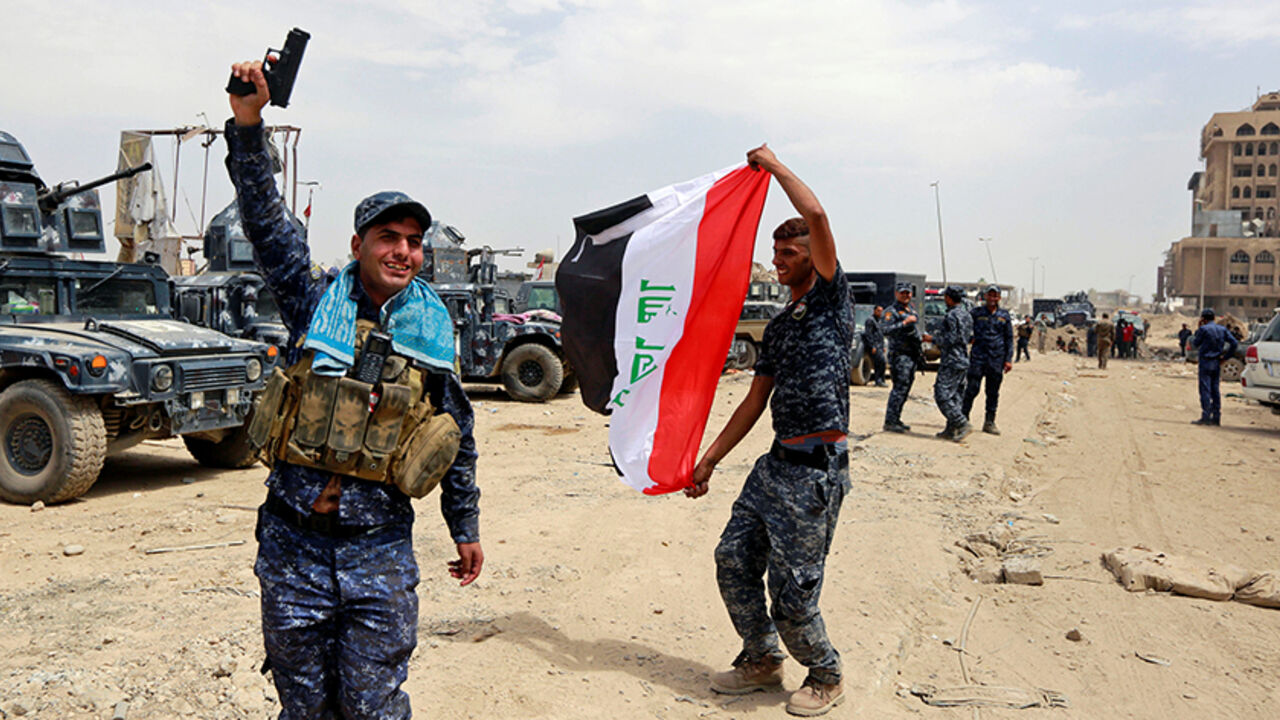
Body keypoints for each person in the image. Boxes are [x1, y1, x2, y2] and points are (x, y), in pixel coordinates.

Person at [225, 60, 484, 718]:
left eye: (413, 243)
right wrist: (249, 126)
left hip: (380, 549)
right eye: (387, 238)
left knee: (374, 708)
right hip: (294, 547)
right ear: (358, 244)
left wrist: (464, 525)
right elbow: (266, 223)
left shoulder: (430, 333)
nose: (403, 252)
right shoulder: (315, 304)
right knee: (304, 708)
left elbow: (456, 434)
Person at [686, 145, 851, 717]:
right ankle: (761, 659)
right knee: (732, 558)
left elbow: (818, 216)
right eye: (775, 252)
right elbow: (755, 400)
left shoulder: (831, 301)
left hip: (814, 476)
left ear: (813, 257)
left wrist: (774, 166)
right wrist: (710, 458)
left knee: (793, 592)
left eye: (789, 252)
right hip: (775, 466)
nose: (778, 261)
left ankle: (825, 674)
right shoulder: (779, 326)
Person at [962, 285, 1013, 435]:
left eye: (995, 296)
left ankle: (989, 422)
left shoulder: (1004, 315)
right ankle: (963, 419)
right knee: (971, 389)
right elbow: (965, 328)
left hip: (996, 359)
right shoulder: (976, 313)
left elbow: (1009, 339)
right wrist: (969, 338)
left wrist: (1008, 360)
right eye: (990, 295)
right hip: (978, 357)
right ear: (985, 296)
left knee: (992, 392)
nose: (992, 298)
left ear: (999, 298)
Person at [881, 283, 928, 432]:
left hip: (911, 355)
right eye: (902, 293)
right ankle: (890, 421)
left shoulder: (911, 309)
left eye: (908, 293)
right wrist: (904, 323)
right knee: (899, 388)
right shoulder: (891, 312)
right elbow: (885, 330)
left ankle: (896, 419)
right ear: (896, 294)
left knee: (905, 388)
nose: (905, 295)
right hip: (900, 355)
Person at [932, 286, 973, 441]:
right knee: (955, 396)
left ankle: (961, 423)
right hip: (962, 359)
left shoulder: (951, 315)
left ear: (948, 298)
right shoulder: (966, 314)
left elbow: (952, 339)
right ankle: (951, 429)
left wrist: (933, 339)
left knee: (942, 394)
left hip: (952, 360)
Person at [1190, 308, 1239, 426]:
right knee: (1215, 390)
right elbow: (1234, 343)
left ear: (1203, 319)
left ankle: (1206, 416)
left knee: (1205, 389)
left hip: (1205, 362)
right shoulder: (1222, 329)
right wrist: (1225, 357)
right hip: (1217, 362)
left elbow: (1195, 344)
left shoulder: (1203, 329)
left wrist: (1198, 328)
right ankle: (1216, 417)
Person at [862, 305, 888, 386]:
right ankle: (878, 380)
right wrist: (872, 346)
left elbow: (881, 334)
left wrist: (883, 346)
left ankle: (881, 380)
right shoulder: (870, 320)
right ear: (874, 311)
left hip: (880, 345)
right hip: (875, 346)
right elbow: (868, 334)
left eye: (881, 311)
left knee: (882, 363)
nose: (880, 313)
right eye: (878, 311)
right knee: (880, 362)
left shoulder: (880, 321)